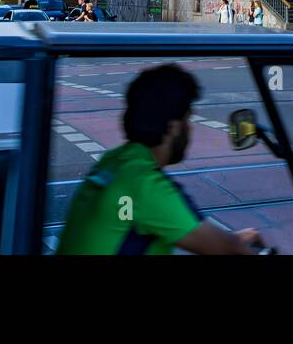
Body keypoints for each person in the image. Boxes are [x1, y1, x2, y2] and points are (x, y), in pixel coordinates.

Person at [57, 64, 263, 255]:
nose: (191, 129)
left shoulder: (112, 161)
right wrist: (239, 242)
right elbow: (226, 249)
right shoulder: (145, 185)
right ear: (173, 128)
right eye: (188, 119)